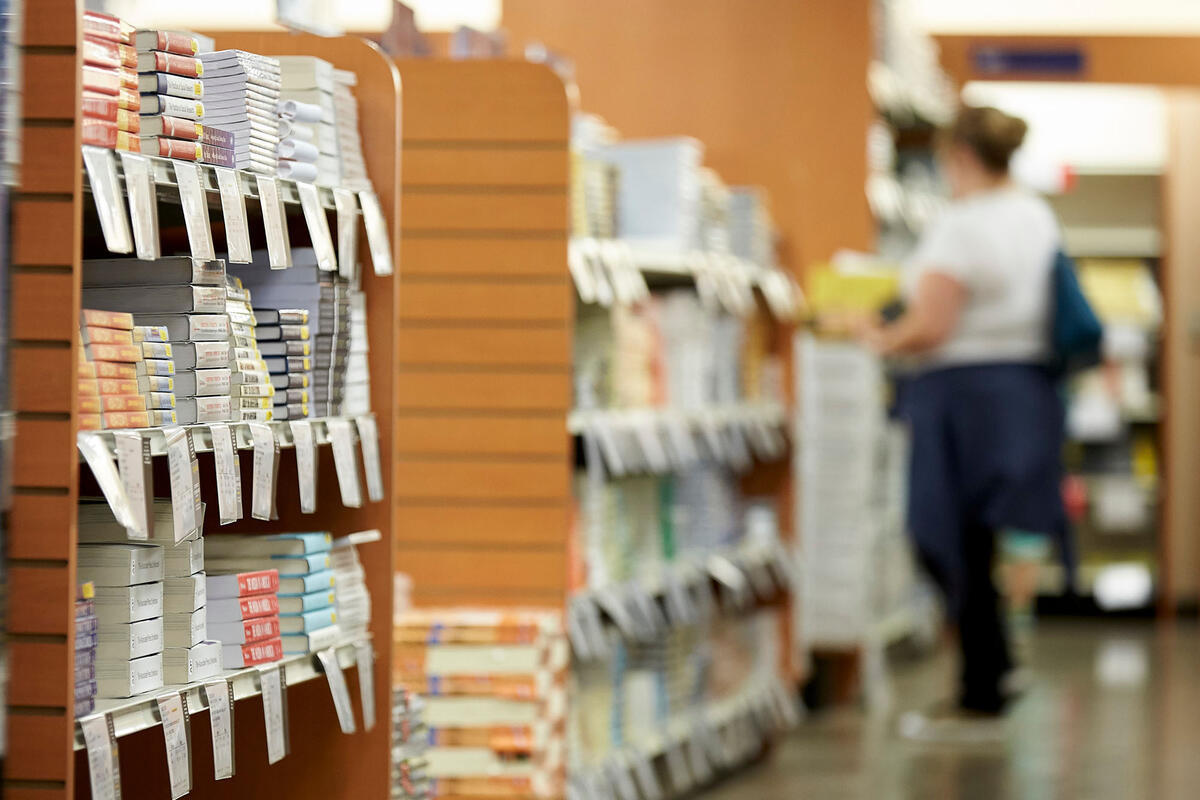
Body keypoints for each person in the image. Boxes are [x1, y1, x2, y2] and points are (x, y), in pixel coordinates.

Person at [859, 105, 1066, 726]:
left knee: (939, 534)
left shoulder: (961, 225)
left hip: (960, 395)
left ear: (961, 157)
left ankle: (983, 684)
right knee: (981, 536)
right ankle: (993, 671)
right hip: (1024, 392)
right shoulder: (1035, 214)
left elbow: (934, 324)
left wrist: (874, 336)